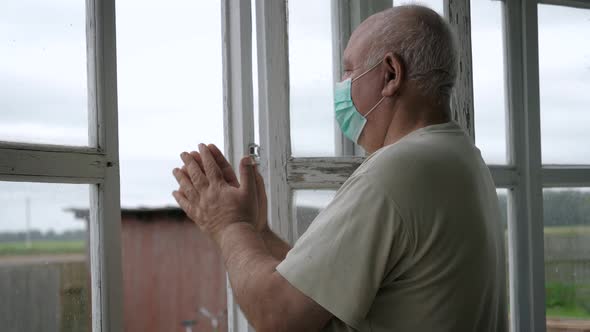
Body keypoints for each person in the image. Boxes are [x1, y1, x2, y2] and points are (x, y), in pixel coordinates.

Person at [172, 4, 508, 332]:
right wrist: (258, 232)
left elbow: (278, 316)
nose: (341, 85)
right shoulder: (460, 156)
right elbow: (323, 290)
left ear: (390, 74)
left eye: (349, 70)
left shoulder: (394, 173)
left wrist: (229, 224)